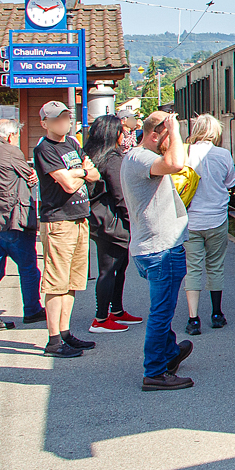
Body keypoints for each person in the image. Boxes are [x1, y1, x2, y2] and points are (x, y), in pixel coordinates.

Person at [121, 111, 193, 391]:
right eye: (167, 137)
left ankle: (170, 353)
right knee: (161, 312)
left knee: (162, 308)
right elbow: (175, 163)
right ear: (154, 135)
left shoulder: (136, 158)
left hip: (154, 245)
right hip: (160, 248)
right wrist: (174, 130)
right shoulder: (142, 158)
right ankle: (155, 372)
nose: (172, 141)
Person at [34, 101, 100, 358]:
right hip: (58, 221)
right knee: (56, 282)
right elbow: (68, 185)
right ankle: (53, 340)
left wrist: (78, 172)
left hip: (79, 218)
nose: (63, 123)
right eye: (57, 119)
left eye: (65, 118)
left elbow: (93, 174)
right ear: (44, 123)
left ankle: (65, 332)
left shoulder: (72, 143)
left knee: (72, 282)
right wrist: (82, 172)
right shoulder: (45, 149)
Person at [0, 118, 45, 332]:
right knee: (29, 268)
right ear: (11, 135)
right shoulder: (11, 151)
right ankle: (32, 309)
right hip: (13, 217)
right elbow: (30, 176)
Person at [83, 114, 141, 333]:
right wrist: (131, 220)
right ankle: (100, 318)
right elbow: (120, 193)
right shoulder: (112, 158)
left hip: (100, 218)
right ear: (114, 134)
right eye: (121, 131)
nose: (123, 134)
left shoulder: (90, 153)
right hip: (112, 220)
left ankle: (116, 310)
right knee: (110, 269)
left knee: (117, 267)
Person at [182, 114, 235, 334]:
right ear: (215, 132)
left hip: (191, 221)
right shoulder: (223, 154)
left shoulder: (184, 153)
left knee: (193, 268)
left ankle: (193, 319)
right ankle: (216, 314)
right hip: (217, 219)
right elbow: (230, 182)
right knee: (215, 266)